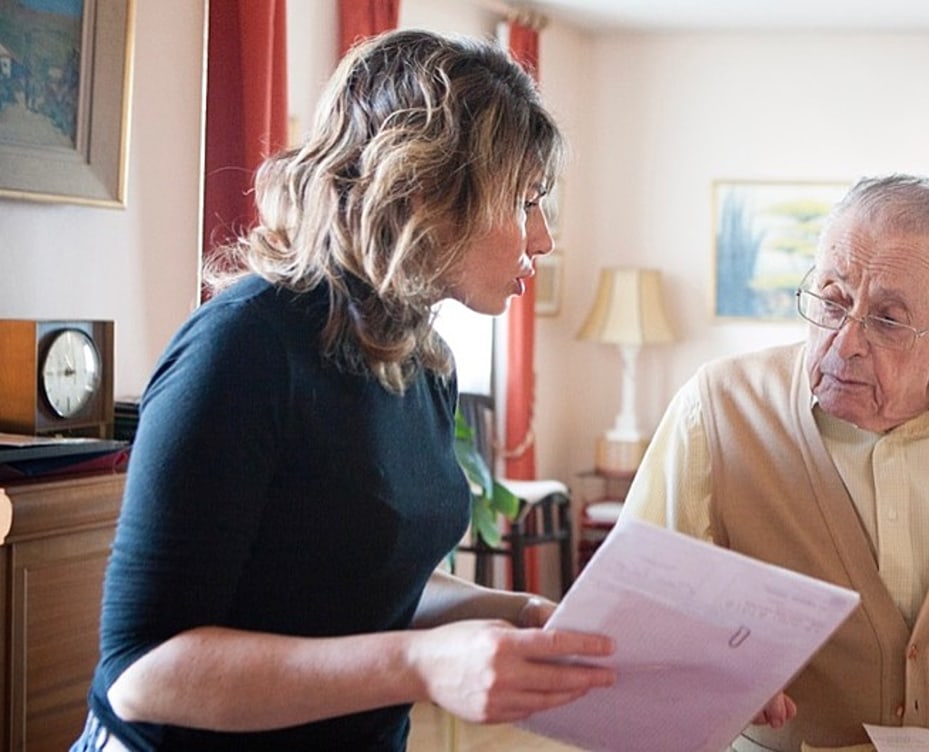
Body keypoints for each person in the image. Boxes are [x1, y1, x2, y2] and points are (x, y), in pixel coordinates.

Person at [72, 29, 615, 752]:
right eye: (523, 202)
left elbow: (369, 584)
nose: (542, 240)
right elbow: (143, 673)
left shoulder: (426, 362)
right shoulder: (243, 350)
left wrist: (518, 614)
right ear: (423, 189)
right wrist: (417, 665)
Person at [621, 174, 929, 752]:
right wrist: (719, 671)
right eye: (832, 301)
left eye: (887, 320)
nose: (845, 342)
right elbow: (643, 611)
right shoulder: (717, 409)